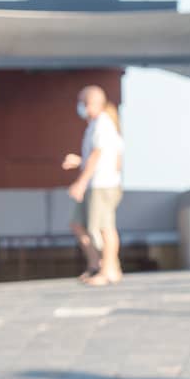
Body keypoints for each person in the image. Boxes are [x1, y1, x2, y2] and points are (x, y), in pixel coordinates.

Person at [61, 85, 125, 286]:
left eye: (81, 102)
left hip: (102, 185)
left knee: (105, 228)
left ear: (90, 104)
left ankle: (109, 271)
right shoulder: (94, 125)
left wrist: (80, 182)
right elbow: (100, 157)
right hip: (95, 184)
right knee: (78, 224)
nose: (79, 106)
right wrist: (80, 162)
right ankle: (96, 265)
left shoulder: (103, 125)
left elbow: (98, 155)